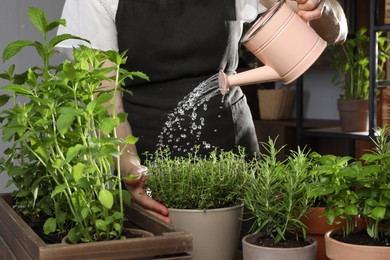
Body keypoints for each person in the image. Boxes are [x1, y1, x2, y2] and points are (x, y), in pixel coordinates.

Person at [57, 0, 348, 223]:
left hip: (235, 155)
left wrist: (319, 8)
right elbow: (107, 103)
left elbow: (336, 29)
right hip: (146, 157)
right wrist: (130, 166)